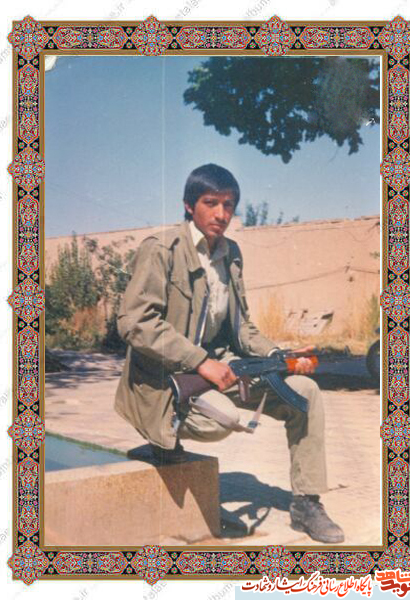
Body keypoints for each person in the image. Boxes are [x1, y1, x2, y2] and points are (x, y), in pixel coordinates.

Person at [114, 163, 344, 544]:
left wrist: (280, 356)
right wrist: (200, 362)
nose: (221, 214)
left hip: (217, 367)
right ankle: (161, 441)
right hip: (163, 376)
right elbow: (135, 323)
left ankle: (307, 504)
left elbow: (242, 327)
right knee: (222, 420)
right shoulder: (161, 250)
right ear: (189, 205)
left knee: (305, 393)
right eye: (211, 203)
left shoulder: (231, 253)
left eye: (229, 205)